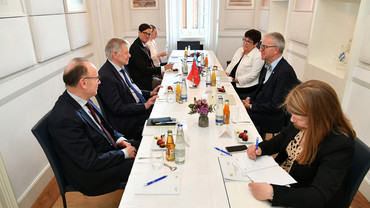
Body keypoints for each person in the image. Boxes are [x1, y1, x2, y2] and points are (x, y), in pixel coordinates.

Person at [247, 80, 356, 208]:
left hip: (301, 198)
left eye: (297, 116)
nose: (292, 119)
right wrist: (260, 147)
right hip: (281, 180)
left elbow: (318, 195)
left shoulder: (339, 144)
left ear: (317, 117)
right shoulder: (303, 124)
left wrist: (273, 193)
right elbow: (281, 139)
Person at [48, 57, 139, 196]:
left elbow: (106, 129)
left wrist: (120, 140)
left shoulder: (82, 99)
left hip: (103, 152)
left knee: (146, 145)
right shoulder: (65, 118)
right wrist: (124, 153)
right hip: (90, 174)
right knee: (143, 166)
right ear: (83, 83)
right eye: (96, 78)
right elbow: (90, 161)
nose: (99, 81)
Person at [98, 38, 161, 140]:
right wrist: (144, 106)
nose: (130, 55)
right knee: (162, 116)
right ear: (115, 54)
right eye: (126, 53)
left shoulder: (120, 67)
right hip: (127, 120)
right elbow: (118, 109)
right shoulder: (106, 76)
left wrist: (150, 94)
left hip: (135, 110)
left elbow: (132, 91)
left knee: (163, 107)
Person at [242, 32, 298, 137]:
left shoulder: (285, 72)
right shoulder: (268, 65)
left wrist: (252, 107)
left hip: (273, 117)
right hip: (262, 109)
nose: (260, 49)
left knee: (240, 116)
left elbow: (276, 105)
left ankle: (252, 146)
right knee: (238, 110)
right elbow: (260, 90)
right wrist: (249, 98)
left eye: (264, 47)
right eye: (261, 46)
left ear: (276, 49)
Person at [127, 23, 173, 90]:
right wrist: (163, 69)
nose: (147, 36)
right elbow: (145, 70)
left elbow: (151, 65)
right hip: (143, 81)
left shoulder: (144, 45)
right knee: (167, 85)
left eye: (149, 34)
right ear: (139, 33)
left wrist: (161, 72)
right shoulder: (135, 48)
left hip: (150, 76)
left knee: (170, 79)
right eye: (145, 33)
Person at [225, 29, 264, 100]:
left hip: (244, 87)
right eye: (244, 40)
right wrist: (227, 72)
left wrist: (236, 80)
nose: (245, 43)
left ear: (255, 44)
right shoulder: (240, 50)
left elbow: (253, 75)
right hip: (231, 80)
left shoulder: (258, 56)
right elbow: (232, 63)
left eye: (248, 41)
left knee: (223, 95)